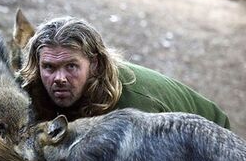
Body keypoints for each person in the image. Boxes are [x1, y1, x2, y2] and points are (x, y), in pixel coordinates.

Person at [19, 16, 230, 128]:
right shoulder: (31, 85)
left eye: (71, 66)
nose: (59, 79)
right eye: (49, 67)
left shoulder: (133, 106)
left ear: (94, 64)